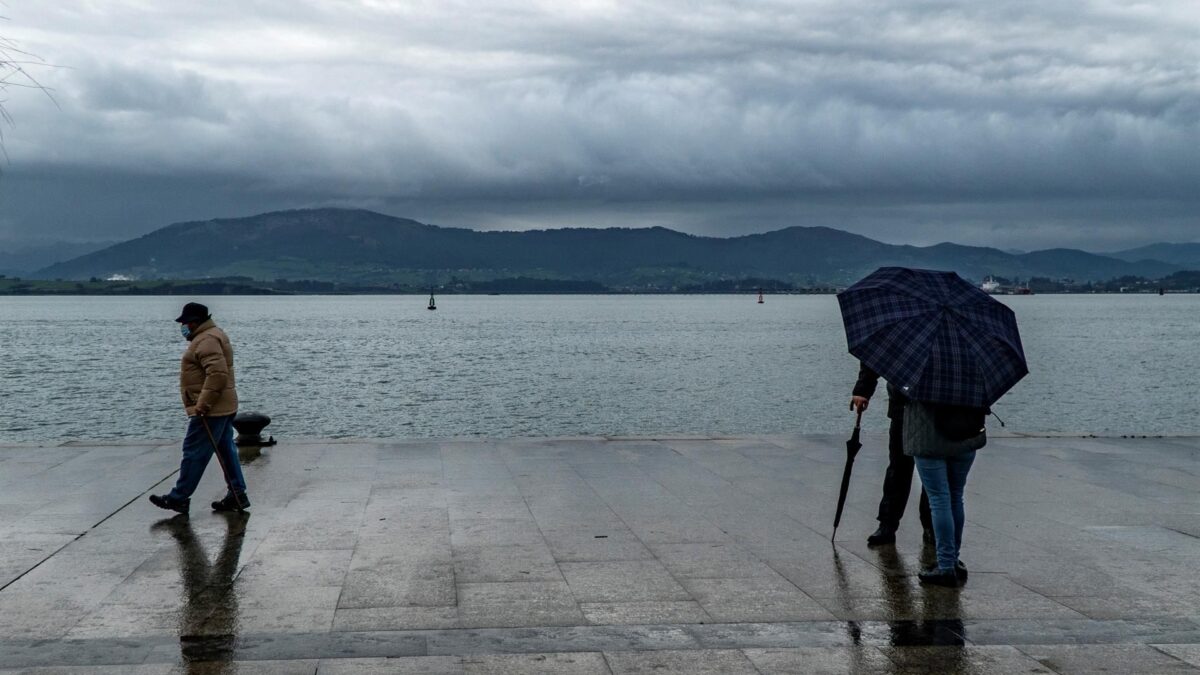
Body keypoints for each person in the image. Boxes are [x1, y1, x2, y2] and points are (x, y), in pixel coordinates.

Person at [150, 302, 250, 514]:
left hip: (211, 409)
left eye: (185, 322)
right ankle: (237, 493)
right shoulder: (212, 335)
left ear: (194, 322)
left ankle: (179, 497)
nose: (183, 326)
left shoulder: (206, 341)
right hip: (223, 405)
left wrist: (202, 405)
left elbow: (217, 375)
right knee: (226, 450)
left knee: (193, 451)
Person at [903, 401, 986, 587]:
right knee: (956, 496)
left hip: (927, 435)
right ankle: (954, 560)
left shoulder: (919, 371)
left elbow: (898, 391)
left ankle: (946, 565)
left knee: (939, 499)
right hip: (965, 434)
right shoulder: (972, 370)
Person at [850, 363, 931, 546]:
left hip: (937, 406)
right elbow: (878, 352)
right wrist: (863, 388)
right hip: (903, 404)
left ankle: (932, 526)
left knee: (934, 471)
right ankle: (888, 524)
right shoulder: (900, 334)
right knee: (898, 467)